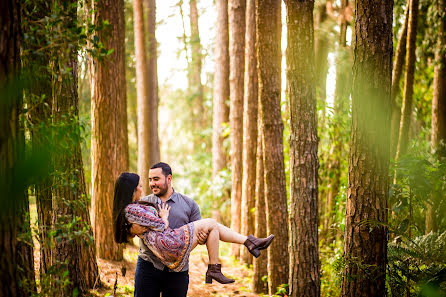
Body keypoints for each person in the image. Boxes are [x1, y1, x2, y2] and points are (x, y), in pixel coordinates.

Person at [112, 168, 274, 292]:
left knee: (212, 226)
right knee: (211, 223)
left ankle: (246, 245)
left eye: (156, 179)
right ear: (132, 190)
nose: (147, 186)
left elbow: (206, 234)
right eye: (143, 184)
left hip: (172, 258)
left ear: (169, 179)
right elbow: (158, 226)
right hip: (161, 252)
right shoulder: (139, 206)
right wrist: (163, 216)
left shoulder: (188, 204)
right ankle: (225, 260)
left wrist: (201, 235)